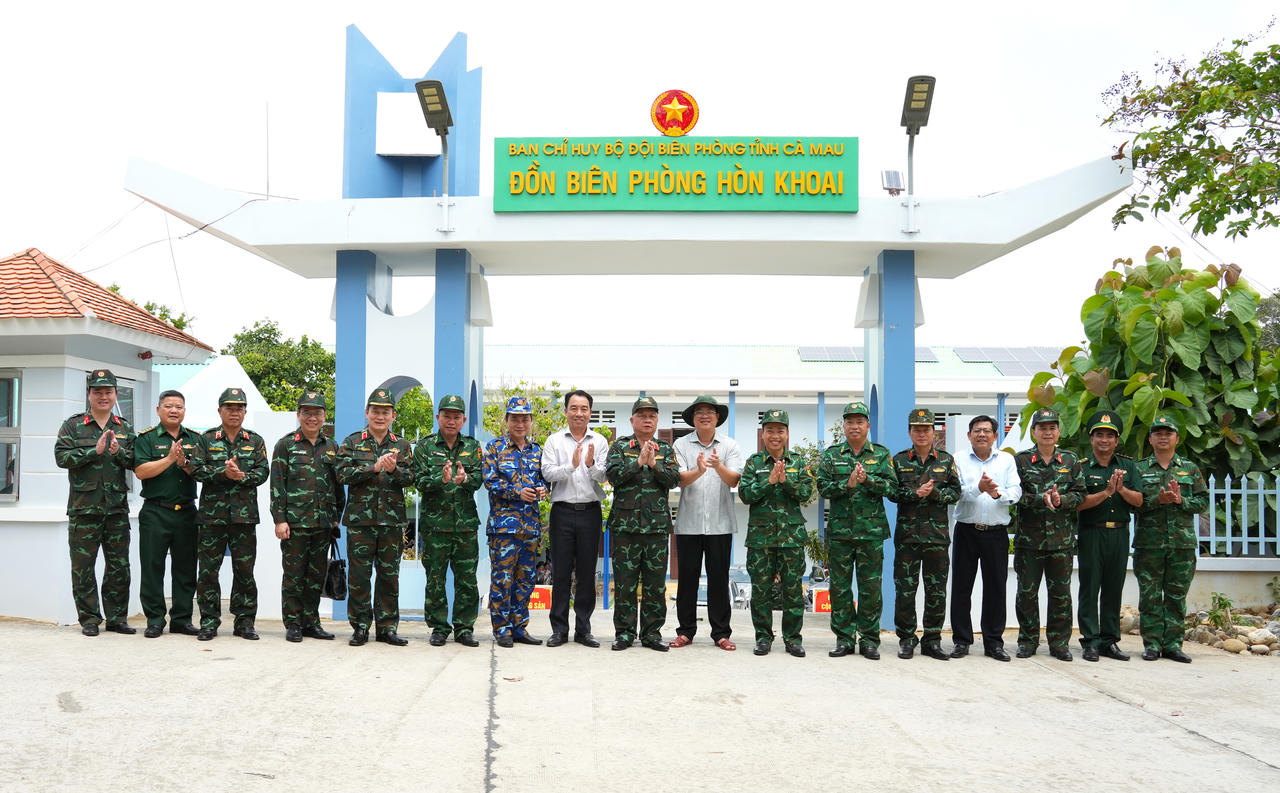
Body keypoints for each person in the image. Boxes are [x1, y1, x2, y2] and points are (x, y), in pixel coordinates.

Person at [54, 369, 136, 637]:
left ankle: (116, 618)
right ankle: (89, 619)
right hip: (84, 509)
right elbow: (61, 457)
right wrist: (94, 451)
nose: (103, 396)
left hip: (116, 510)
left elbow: (135, 461)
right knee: (83, 568)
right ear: (89, 394)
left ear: (115, 395)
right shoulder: (73, 425)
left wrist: (118, 452)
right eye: (97, 391)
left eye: (108, 391)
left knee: (119, 567)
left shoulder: (124, 427)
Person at [817, 401, 895, 660]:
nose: (854, 426)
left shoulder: (881, 454)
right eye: (849, 422)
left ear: (867, 426)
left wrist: (868, 480)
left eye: (859, 422)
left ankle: (869, 640)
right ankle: (844, 639)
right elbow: (822, 487)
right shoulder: (832, 455)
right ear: (844, 426)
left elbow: (893, 488)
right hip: (840, 533)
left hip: (871, 533)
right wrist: (847, 485)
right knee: (839, 589)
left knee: (870, 589)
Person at [337, 388, 414, 647]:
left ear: (393, 415)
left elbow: (411, 478)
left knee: (389, 577)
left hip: (391, 522)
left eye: (385, 412)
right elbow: (342, 474)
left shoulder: (402, 445)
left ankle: (387, 628)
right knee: (359, 577)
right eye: (376, 411)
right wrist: (374, 468)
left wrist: (393, 471)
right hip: (360, 522)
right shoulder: (352, 442)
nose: (380, 416)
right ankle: (360, 627)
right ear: (367, 413)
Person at [605, 396, 681, 652]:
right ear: (632, 420)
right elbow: (613, 476)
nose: (647, 420)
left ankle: (651, 634)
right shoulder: (620, 446)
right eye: (642, 415)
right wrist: (638, 463)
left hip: (656, 528)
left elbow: (674, 479)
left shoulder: (665, 449)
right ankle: (624, 633)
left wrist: (654, 466)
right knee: (624, 584)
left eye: (652, 416)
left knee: (655, 586)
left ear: (657, 420)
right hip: (625, 527)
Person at [193, 388, 269, 641]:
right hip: (212, 517)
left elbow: (263, 472)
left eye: (239, 408)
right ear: (220, 411)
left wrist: (241, 476)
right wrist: (221, 473)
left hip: (243, 517)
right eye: (229, 408)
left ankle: (244, 622)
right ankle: (209, 622)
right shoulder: (206, 439)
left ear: (245, 411)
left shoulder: (255, 441)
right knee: (208, 571)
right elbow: (196, 470)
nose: (234, 412)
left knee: (244, 571)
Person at [270, 390, 345, 643]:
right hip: (295, 523)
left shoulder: (332, 447)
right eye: (307, 413)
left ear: (324, 416)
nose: (312, 418)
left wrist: (336, 518)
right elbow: (277, 485)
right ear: (299, 414)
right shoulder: (286, 445)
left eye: (317, 413)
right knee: (294, 576)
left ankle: (311, 622)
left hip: (323, 524)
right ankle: (293, 623)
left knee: (316, 576)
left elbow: (338, 488)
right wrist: (280, 519)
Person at [738, 408, 814, 658]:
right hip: (760, 539)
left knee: (792, 591)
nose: (775, 435)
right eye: (770, 430)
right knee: (761, 591)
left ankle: (793, 639)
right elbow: (745, 494)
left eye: (780, 430)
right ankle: (763, 637)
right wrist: (768, 481)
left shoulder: (798, 462)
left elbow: (806, 493)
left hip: (791, 538)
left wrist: (785, 482)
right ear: (763, 434)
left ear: (787, 434)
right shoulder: (754, 462)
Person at [671, 395, 744, 651]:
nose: (704, 415)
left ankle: (721, 633)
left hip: (720, 524)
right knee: (687, 580)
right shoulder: (681, 444)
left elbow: (734, 479)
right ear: (693, 418)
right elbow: (679, 478)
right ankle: (685, 632)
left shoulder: (729, 445)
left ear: (717, 418)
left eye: (709, 412)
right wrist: (699, 471)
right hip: (689, 523)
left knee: (719, 580)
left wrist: (717, 466)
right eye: (699, 412)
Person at [1133, 415, 1208, 663]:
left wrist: (1180, 500)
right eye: (1158, 433)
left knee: (1176, 597)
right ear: (1151, 439)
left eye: (1168, 433)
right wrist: (1158, 500)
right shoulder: (1140, 469)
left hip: (1181, 544)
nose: (1163, 437)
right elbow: (1132, 504)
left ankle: (1173, 645)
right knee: (1150, 596)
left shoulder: (1189, 468)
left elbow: (1203, 501)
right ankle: (1152, 644)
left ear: (1177, 438)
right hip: (1149, 545)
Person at [1012, 408, 1086, 661]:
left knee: (1061, 595)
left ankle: (1059, 643)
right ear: (1034, 432)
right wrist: (1038, 499)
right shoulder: (1021, 461)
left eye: (1052, 427)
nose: (1047, 432)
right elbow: (1014, 494)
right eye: (1042, 427)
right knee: (1026, 594)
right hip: (1029, 541)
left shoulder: (1070, 460)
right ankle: (1027, 641)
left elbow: (1080, 494)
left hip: (1060, 541)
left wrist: (1061, 499)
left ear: (1058, 431)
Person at [889, 408, 961, 661]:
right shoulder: (899, 460)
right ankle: (907, 639)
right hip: (907, 537)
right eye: (917, 429)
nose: (922, 433)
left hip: (936, 537)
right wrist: (915, 493)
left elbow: (956, 493)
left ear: (934, 432)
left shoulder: (946, 460)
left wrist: (935, 494)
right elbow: (891, 492)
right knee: (905, 591)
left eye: (926, 429)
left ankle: (932, 640)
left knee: (936, 591)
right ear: (910, 432)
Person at [412, 394, 483, 648]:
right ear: (437, 417)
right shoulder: (424, 447)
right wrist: (439, 480)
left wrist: (465, 479)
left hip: (465, 526)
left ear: (463, 420)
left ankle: (464, 628)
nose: (451, 421)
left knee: (467, 580)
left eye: (456, 417)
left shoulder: (472, 447)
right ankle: (439, 627)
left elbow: (479, 478)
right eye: (446, 416)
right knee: (435, 579)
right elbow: (418, 481)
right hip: (435, 527)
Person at [540, 389, 609, 649]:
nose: (579, 413)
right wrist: (571, 465)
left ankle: (583, 629)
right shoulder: (554, 440)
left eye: (584, 408)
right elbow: (547, 473)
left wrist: (590, 465)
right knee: (560, 573)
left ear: (590, 412)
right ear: (566, 411)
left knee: (586, 574)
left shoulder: (599, 441)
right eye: (574, 408)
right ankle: (559, 630)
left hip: (590, 512)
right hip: (562, 512)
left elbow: (604, 476)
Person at [132, 389, 203, 638]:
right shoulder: (146, 438)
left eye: (179, 407)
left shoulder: (195, 438)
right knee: (153, 568)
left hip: (186, 513)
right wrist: (170, 459)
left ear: (184, 411)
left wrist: (184, 463)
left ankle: (182, 619)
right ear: (158, 409)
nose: (174, 410)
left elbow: (202, 472)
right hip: (155, 512)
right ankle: (155, 620)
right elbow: (141, 471)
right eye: (169, 406)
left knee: (186, 568)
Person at [950, 415, 1022, 662]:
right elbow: (955, 491)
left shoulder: (1006, 460)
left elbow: (1015, 491)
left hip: (996, 533)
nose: (982, 434)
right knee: (961, 588)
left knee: (996, 588)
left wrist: (996, 493)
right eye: (977, 430)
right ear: (969, 435)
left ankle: (993, 642)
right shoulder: (958, 459)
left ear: (995, 435)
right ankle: (961, 641)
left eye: (987, 430)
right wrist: (978, 488)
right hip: (966, 530)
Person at [1076, 410, 1142, 662]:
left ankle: (1109, 641)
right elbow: (1078, 503)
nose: (1104, 440)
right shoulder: (1082, 467)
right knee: (1090, 588)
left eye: (1109, 436)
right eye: (1099, 435)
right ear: (1091, 439)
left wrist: (1121, 489)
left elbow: (1139, 500)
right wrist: (1106, 492)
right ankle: (1090, 641)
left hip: (1119, 534)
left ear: (1116, 440)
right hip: (1092, 533)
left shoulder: (1128, 466)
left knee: (1114, 589)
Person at [482, 396, 548, 648]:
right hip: (503, 528)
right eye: (515, 419)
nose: (520, 424)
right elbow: (490, 481)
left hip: (530, 527)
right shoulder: (495, 448)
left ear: (530, 421)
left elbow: (544, 479)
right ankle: (502, 630)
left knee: (526, 580)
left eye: (524, 419)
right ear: (507, 420)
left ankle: (519, 627)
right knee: (502, 580)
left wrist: (542, 489)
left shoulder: (537, 451)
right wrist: (516, 492)